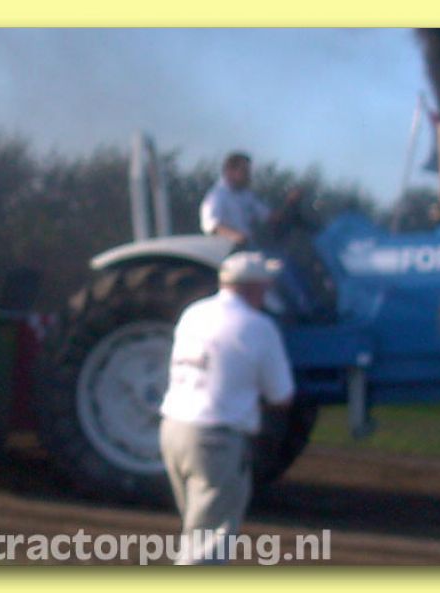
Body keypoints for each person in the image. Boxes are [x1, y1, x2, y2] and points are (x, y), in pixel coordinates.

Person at [159, 252, 295, 564]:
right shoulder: (259, 327)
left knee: (197, 532)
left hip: (174, 430)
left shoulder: (194, 313)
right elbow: (281, 395)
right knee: (208, 544)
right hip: (216, 439)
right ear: (255, 287)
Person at [200, 152, 302, 247]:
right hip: (225, 251)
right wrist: (236, 237)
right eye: (244, 171)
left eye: (248, 172)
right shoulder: (216, 195)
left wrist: (290, 203)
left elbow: (270, 217)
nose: (248, 176)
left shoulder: (246, 196)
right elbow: (211, 225)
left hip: (246, 250)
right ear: (229, 172)